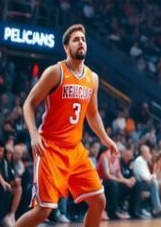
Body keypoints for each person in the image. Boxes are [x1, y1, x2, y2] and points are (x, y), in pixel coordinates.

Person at [15, 24, 117, 227]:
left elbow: (93, 114)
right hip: (50, 148)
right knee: (42, 211)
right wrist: (34, 135)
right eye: (76, 39)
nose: (81, 42)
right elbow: (29, 104)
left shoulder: (92, 78)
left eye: (83, 39)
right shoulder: (55, 72)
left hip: (75, 150)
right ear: (66, 48)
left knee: (98, 201)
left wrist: (105, 139)